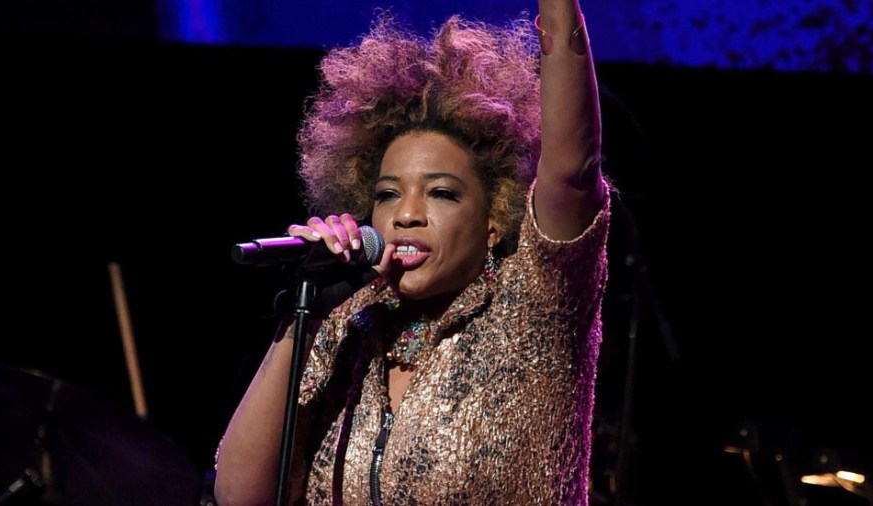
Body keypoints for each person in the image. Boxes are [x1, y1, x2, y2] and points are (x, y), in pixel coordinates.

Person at [214, 0, 610, 503]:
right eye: (386, 194)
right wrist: (304, 319)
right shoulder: (348, 325)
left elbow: (574, 167)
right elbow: (239, 496)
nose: (406, 215)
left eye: (441, 193)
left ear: (496, 217)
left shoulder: (533, 305)